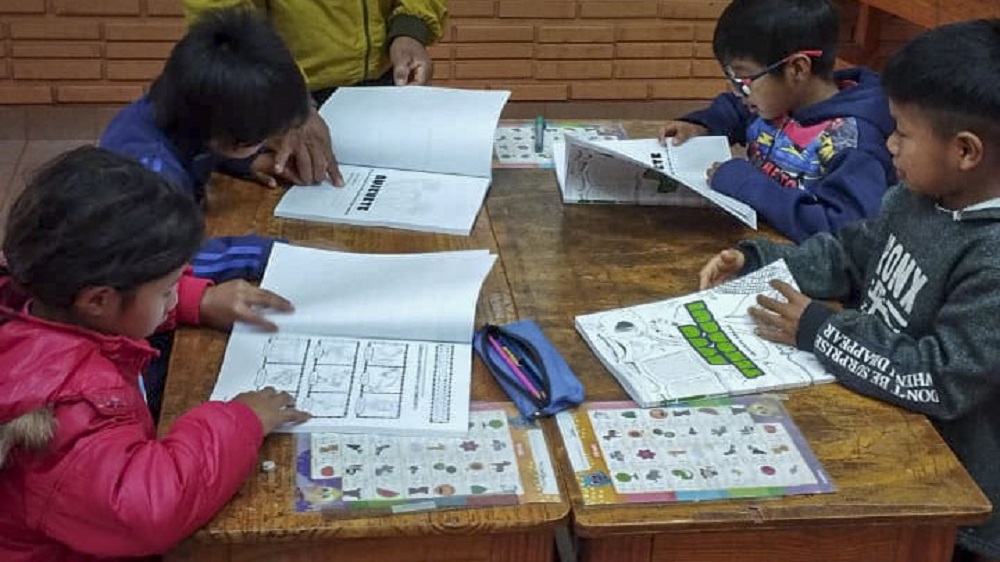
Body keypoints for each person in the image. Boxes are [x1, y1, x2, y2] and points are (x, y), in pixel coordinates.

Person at [699, 19, 1000, 562]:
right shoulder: (918, 195)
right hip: (876, 418)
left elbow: (943, 378)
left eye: (903, 133)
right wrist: (763, 260)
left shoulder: (992, 255)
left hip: (949, 501)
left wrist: (818, 329)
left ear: (966, 151)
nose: (889, 145)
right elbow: (850, 249)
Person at [0, 146, 310, 561]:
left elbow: (124, 308)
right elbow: (148, 512)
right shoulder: (64, 413)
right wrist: (241, 420)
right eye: (166, 290)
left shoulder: (39, 296)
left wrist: (195, 301)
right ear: (98, 300)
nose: (172, 296)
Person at [659, 0, 895, 242]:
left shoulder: (853, 141)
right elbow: (736, 109)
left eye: (743, 80)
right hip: (755, 236)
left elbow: (844, 230)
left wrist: (746, 184)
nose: (737, 91)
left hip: (802, 266)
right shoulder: (780, 100)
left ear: (797, 69)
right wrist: (703, 124)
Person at [182, 0, 449, 187]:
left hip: (386, 83)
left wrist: (411, 29)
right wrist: (284, 99)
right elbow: (222, 18)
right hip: (286, 95)